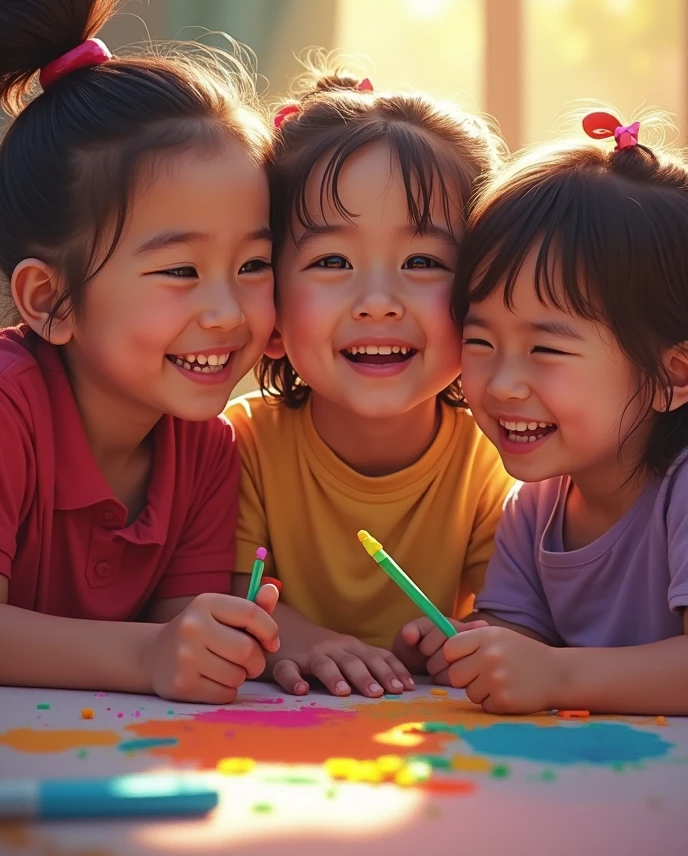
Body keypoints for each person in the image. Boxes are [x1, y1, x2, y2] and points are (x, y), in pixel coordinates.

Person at [0, 0, 280, 702]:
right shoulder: (9, 408)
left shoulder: (207, 448)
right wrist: (148, 658)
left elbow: (178, 625)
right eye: (180, 271)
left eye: (254, 265)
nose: (227, 312)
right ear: (48, 301)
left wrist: (226, 638)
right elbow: (154, 650)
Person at [226, 68, 513, 699]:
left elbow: (515, 620)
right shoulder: (237, 447)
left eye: (423, 262)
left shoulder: (495, 464)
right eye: (332, 261)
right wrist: (291, 637)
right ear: (270, 301)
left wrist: (469, 636)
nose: (378, 302)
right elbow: (216, 590)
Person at [405, 111, 688, 715]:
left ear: (672, 375)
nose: (504, 384)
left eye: (546, 350)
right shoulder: (534, 508)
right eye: (480, 342)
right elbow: (520, 639)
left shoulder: (681, 491)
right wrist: (476, 646)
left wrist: (556, 676)